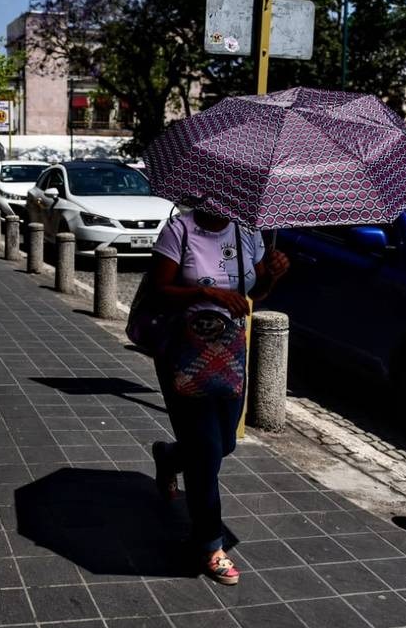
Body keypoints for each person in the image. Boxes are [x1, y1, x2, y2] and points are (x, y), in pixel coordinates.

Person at [147, 208, 289, 584]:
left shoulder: (246, 233)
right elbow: (159, 289)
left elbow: (255, 291)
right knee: (207, 451)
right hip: (183, 350)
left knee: (224, 443)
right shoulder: (180, 229)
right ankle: (210, 543)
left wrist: (271, 274)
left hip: (228, 353)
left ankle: (169, 455)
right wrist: (206, 292)